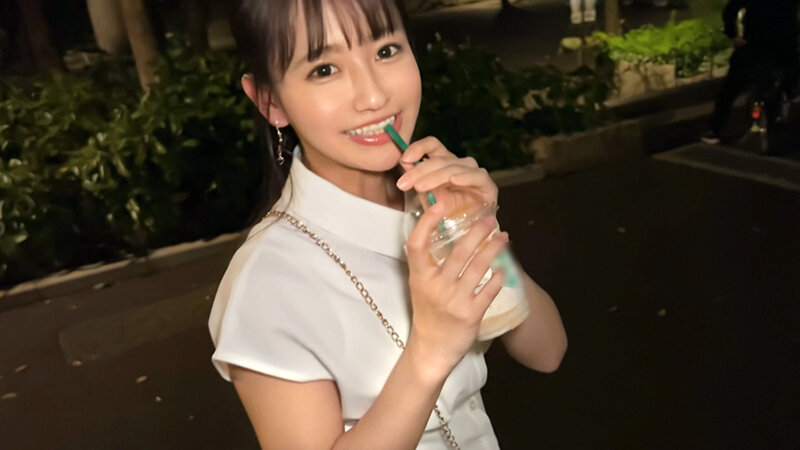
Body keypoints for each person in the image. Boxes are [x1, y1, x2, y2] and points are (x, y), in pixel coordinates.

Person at [207, 0, 568, 448]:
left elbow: (546, 352)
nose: (374, 96)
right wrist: (430, 352)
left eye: (385, 51)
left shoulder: (431, 200)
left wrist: (480, 230)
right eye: (324, 70)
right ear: (270, 100)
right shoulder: (266, 284)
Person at [702, 0, 800, 144]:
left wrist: (733, 35)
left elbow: (730, 10)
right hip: (776, 44)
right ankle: (715, 127)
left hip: (761, 44)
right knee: (733, 86)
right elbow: (731, 10)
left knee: (732, 86)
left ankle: (714, 128)